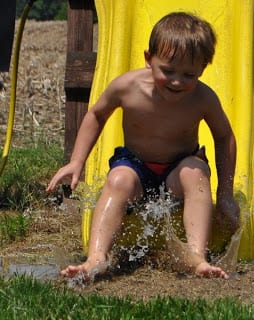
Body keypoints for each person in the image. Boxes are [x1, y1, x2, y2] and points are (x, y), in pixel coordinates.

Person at [47, 12, 239, 280]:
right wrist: (77, 160)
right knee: (118, 178)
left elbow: (224, 136)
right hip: (136, 167)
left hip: (178, 170)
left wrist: (226, 193)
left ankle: (197, 256)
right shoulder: (127, 87)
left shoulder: (203, 98)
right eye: (168, 71)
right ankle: (96, 257)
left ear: (203, 69)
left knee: (195, 172)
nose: (177, 81)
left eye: (189, 74)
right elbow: (96, 115)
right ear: (149, 59)